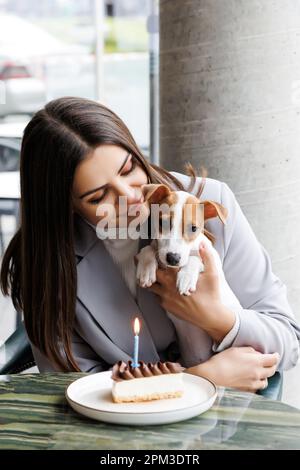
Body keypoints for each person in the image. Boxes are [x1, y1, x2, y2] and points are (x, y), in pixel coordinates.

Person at [1, 97, 299, 393]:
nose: (131, 197)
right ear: (65, 205)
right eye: (98, 196)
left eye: (129, 168)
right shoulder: (49, 263)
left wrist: (214, 316)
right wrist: (199, 379)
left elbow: (288, 342)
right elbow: (70, 391)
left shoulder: (209, 204)